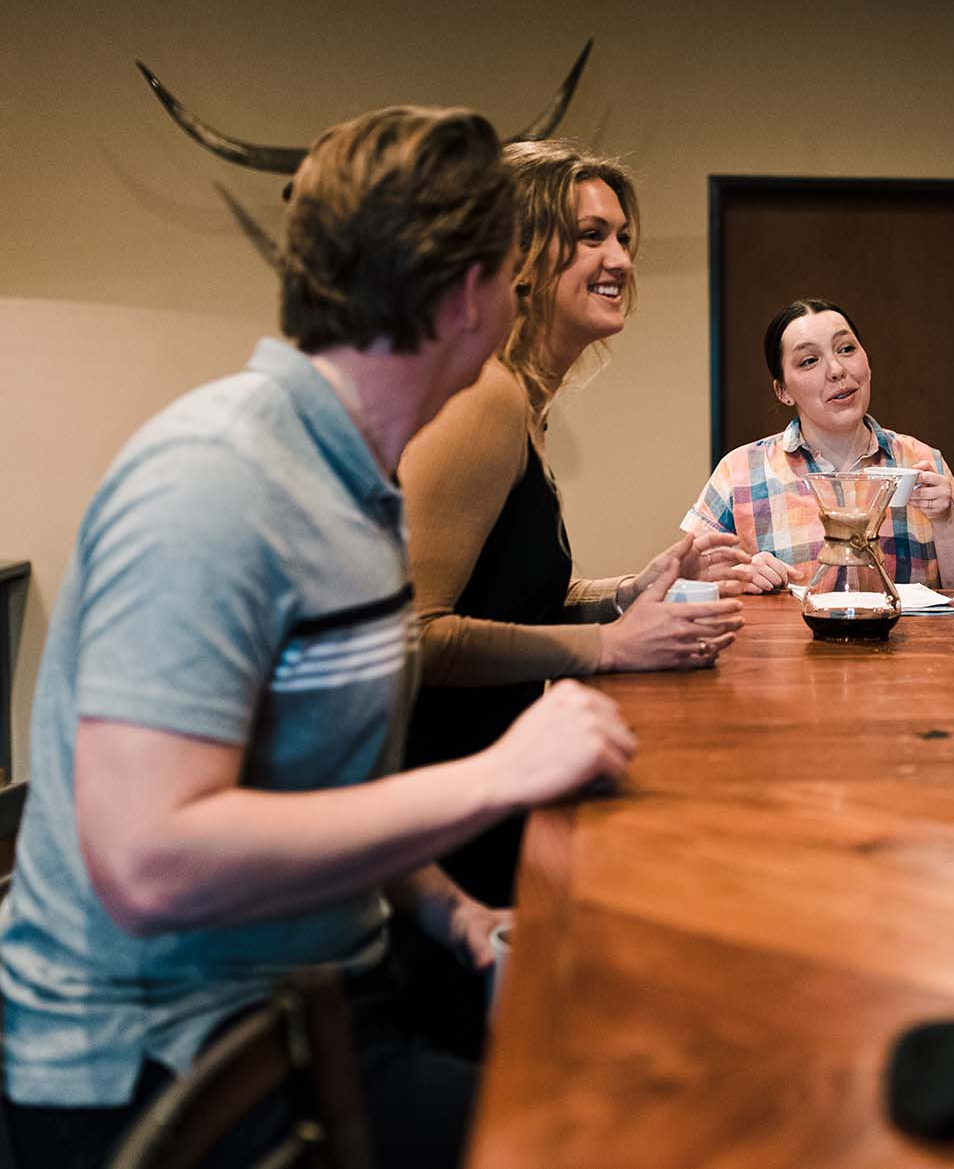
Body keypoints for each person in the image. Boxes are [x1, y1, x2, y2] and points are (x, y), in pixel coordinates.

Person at [0, 106, 637, 1169]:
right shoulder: (217, 480)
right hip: (167, 1069)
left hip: (330, 996)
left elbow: (315, 781)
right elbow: (150, 861)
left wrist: (454, 913)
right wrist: (497, 776)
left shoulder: (354, 483)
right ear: (475, 294)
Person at [399, 138, 747, 913]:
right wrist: (611, 646)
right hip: (444, 809)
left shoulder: (521, 401)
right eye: (591, 236)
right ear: (518, 255)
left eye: (624, 237)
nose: (619, 258)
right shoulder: (484, 400)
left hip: (494, 776)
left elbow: (506, 602)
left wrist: (632, 591)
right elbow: (413, 637)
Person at [683, 297, 954, 591]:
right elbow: (684, 585)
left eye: (846, 349)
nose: (837, 370)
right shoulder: (740, 471)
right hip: (789, 650)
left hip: (907, 649)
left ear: (868, 364)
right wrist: (739, 578)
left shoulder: (921, 459)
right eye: (809, 361)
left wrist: (946, 521)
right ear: (783, 391)